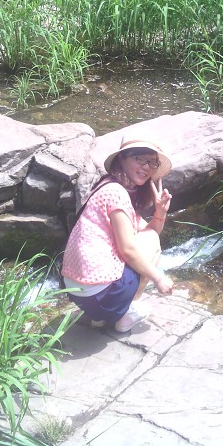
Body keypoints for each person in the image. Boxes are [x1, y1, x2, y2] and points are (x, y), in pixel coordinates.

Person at [61, 135, 175, 333]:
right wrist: (158, 278)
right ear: (121, 159)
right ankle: (124, 315)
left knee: (148, 238)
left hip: (80, 295)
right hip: (101, 296)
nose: (147, 167)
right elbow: (129, 248)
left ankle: (100, 319)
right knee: (147, 242)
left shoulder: (106, 187)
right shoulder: (116, 193)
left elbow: (149, 232)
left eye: (152, 162)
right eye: (140, 159)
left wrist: (160, 212)